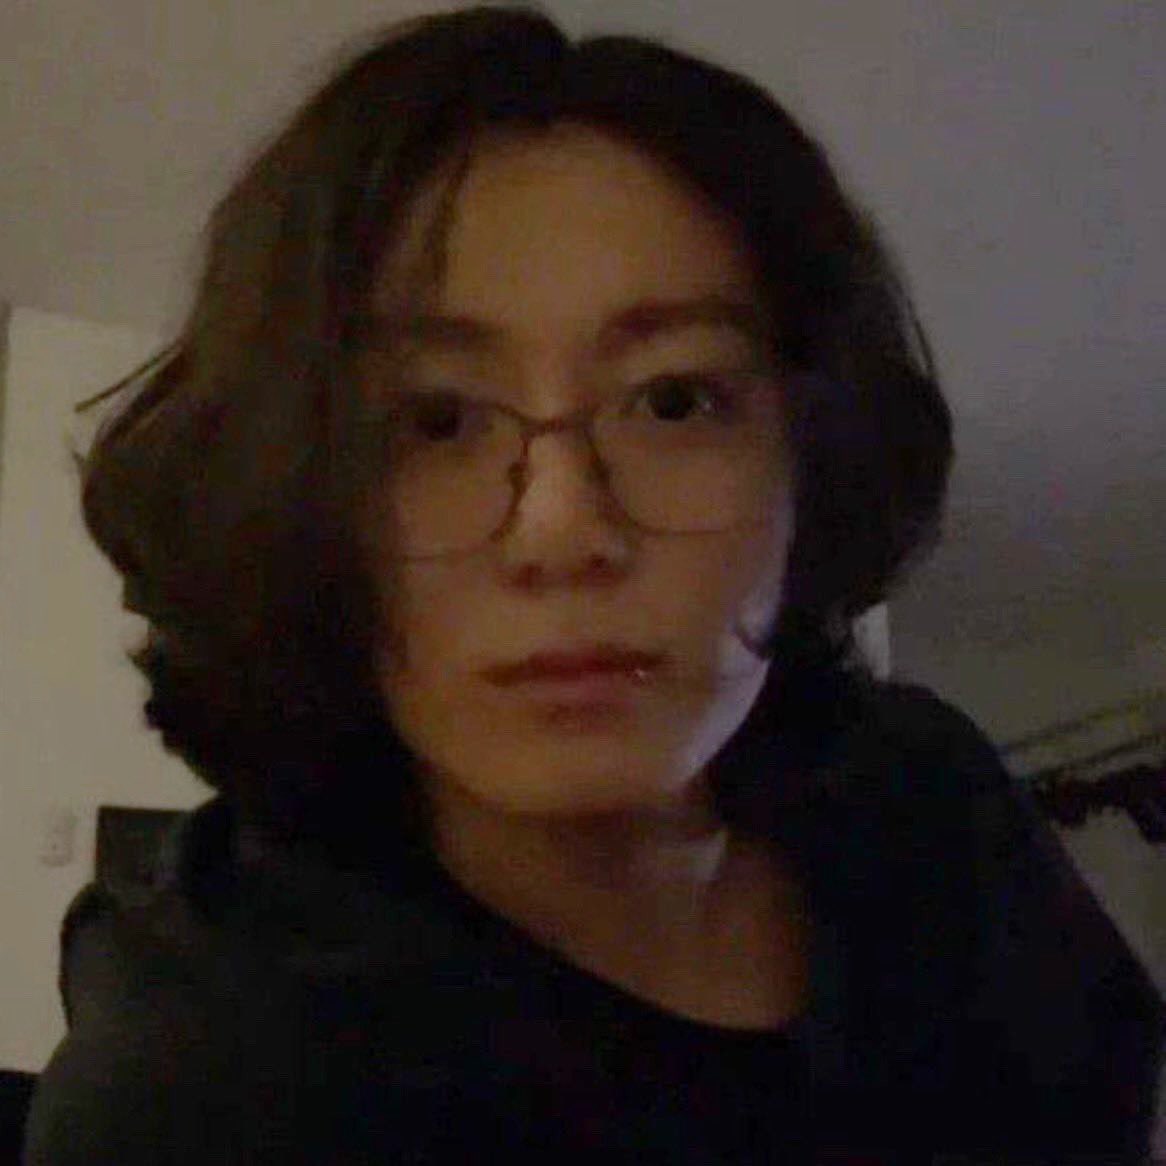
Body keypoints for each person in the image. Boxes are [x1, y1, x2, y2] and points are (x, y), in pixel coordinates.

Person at [23, 6, 1164, 1162]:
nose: (562, 530)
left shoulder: (928, 806)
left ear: (810, 456)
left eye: (673, 400)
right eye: (432, 420)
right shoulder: (206, 1099)